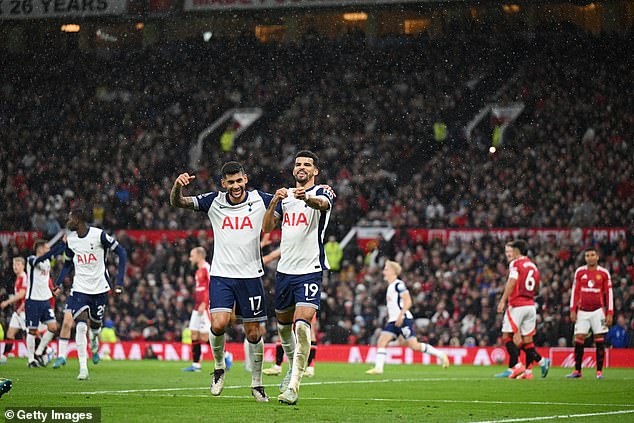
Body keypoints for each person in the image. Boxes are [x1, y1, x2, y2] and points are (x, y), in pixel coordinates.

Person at [170, 161, 273, 403]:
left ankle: (257, 384)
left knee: (254, 332)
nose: (235, 186)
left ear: (245, 179)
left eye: (239, 180)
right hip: (222, 276)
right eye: (231, 182)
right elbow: (178, 202)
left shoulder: (260, 199)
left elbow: (289, 201)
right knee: (218, 324)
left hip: (251, 276)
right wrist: (177, 186)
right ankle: (218, 369)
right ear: (223, 183)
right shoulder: (213, 201)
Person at [262, 150, 334, 405]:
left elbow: (322, 205)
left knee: (302, 325)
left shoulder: (323, 192)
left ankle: (293, 385)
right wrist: (272, 203)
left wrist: (308, 198)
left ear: (315, 171)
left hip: (310, 270)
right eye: (298, 164)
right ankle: (292, 365)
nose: (302, 167)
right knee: (283, 327)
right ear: (294, 170)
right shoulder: (285, 197)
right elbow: (267, 228)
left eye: (307, 165)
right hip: (284, 272)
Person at [52, 208, 127, 380]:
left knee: (94, 327)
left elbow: (122, 252)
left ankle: (94, 344)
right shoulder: (71, 241)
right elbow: (67, 265)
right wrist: (58, 283)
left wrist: (119, 282)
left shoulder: (99, 235)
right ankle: (83, 368)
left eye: (70, 218)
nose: (68, 221)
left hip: (100, 288)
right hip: (80, 288)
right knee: (80, 325)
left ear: (78, 220)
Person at [365, 260, 449, 375]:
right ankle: (379, 368)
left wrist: (401, 315)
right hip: (393, 320)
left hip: (403, 319)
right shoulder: (390, 287)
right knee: (382, 341)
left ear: (393, 271)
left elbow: (408, 301)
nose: (384, 271)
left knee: (414, 346)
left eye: (386, 269)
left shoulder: (399, 285)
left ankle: (440, 355)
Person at [495, 240, 550, 380]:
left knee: (507, 336)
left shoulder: (515, 263)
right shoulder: (533, 266)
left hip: (517, 305)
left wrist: (503, 300)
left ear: (517, 251)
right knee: (527, 341)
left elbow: (512, 281)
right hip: (530, 306)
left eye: (510, 251)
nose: (509, 254)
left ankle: (517, 365)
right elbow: (537, 288)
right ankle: (539, 363)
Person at [566, 247, 613, 379]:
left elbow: (609, 294)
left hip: (598, 311)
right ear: (585, 258)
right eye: (587, 255)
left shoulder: (604, 273)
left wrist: (610, 313)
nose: (590, 257)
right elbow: (575, 291)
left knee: (599, 340)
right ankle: (577, 371)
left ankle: (599, 372)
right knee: (579, 338)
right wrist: (572, 309)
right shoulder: (580, 272)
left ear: (597, 257)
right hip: (582, 311)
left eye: (592, 255)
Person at [25, 240, 64, 367]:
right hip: (33, 301)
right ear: (40, 249)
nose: (48, 250)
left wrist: (63, 245)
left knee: (53, 327)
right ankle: (30, 360)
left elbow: (45, 280)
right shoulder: (31, 260)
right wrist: (59, 245)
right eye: (47, 248)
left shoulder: (47, 262)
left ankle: (39, 352)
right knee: (32, 330)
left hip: (45, 301)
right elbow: (47, 255)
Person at [182, 247, 212, 372]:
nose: (190, 258)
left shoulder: (206, 268)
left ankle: (226, 354)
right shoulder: (198, 270)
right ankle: (196, 364)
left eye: (192, 255)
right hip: (197, 305)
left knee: (205, 337)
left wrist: (205, 303)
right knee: (193, 332)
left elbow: (211, 287)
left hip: (204, 306)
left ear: (199, 255)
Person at [0, 257, 28, 364]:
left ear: (23, 266)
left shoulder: (23, 277)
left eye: (18, 264)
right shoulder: (18, 278)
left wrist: (7, 302)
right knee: (10, 333)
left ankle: (44, 352)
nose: (15, 267)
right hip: (18, 311)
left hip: (24, 310)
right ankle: (4, 356)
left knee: (28, 335)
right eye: (14, 265)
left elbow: (22, 294)